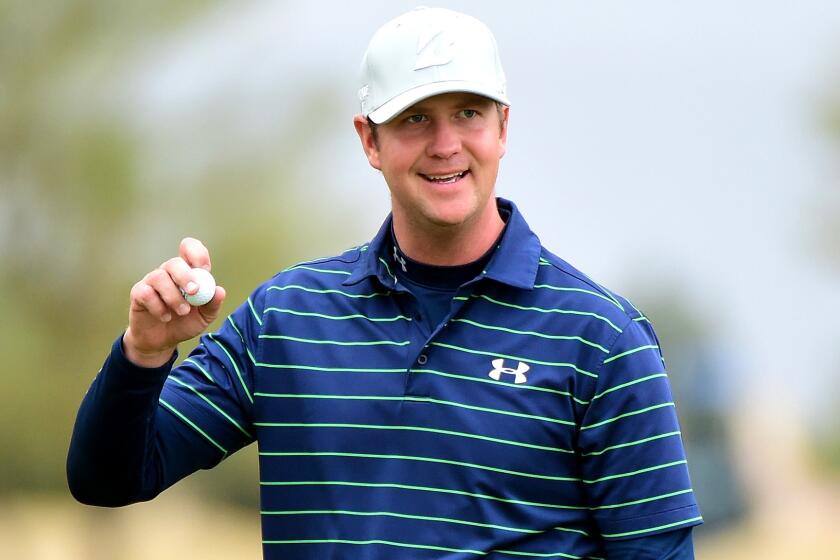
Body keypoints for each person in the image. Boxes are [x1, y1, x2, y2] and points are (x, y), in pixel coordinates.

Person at [68, 7, 702, 559]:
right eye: (415, 120)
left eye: (468, 113)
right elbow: (109, 478)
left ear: (503, 127)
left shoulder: (602, 338)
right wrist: (144, 353)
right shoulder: (284, 319)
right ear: (369, 140)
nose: (447, 144)